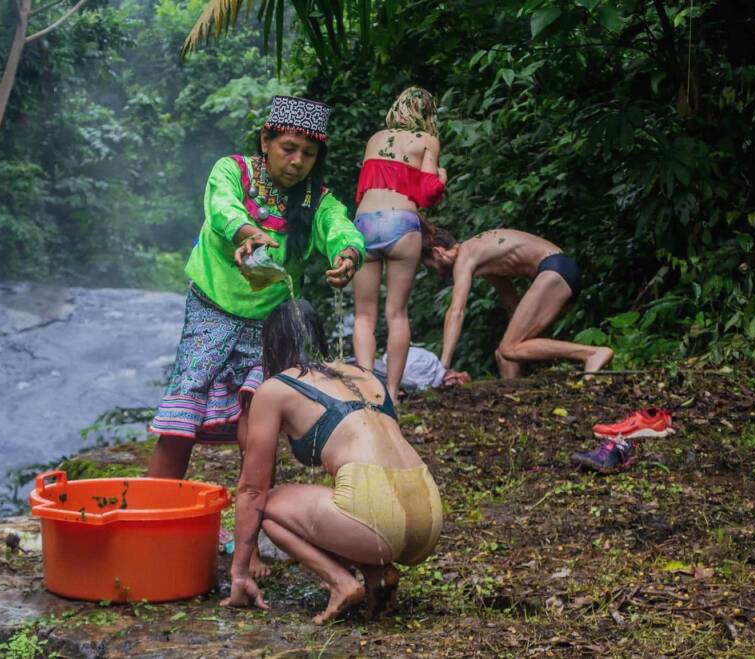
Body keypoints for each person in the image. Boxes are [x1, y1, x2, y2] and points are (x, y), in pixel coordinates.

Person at [147, 96, 366, 480]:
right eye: (288, 149)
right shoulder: (232, 171)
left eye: (309, 154)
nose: (297, 161)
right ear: (266, 140)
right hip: (210, 310)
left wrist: (347, 253)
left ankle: (251, 521)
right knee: (183, 413)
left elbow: (339, 226)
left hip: (269, 324)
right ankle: (153, 514)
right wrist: (250, 233)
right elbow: (221, 209)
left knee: (258, 416)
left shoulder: (318, 200)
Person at [221, 300, 443, 624]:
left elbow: (253, 488)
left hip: (378, 516)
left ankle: (341, 583)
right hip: (428, 511)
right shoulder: (364, 373)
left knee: (268, 504)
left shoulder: (275, 388)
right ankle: (377, 572)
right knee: (340, 499)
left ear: (271, 345)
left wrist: (239, 573)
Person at [352, 87, 447, 404]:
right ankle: (391, 393)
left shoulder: (376, 138)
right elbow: (429, 192)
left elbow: (364, 187)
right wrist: (442, 176)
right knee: (397, 314)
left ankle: (367, 390)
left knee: (364, 315)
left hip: (364, 223)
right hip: (401, 224)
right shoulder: (426, 140)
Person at [420, 223, 613, 378]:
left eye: (433, 267)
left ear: (438, 252)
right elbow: (511, 301)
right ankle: (514, 401)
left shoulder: (465, 256)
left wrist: (442, 366)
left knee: (509, 348)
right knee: (504, 355)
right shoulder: (482, 257)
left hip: (555, 270)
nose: (438, 274)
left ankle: (591, 353)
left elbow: (456, 312)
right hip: (561, 271)